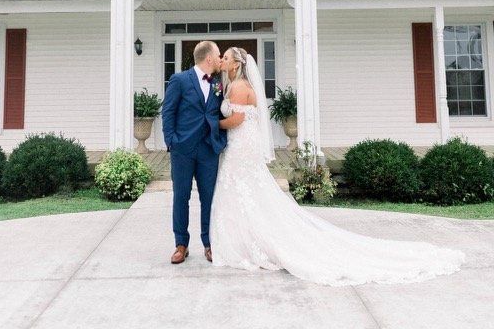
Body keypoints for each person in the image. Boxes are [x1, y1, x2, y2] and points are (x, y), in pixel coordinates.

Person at [210, 46, 466, 286]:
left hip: (241, 146)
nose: (223, 60)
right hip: (242, 145)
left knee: (244, 190)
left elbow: (237, 119)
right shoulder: (233, 84)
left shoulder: (240, 87)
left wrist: (211, 125)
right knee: (249, 193)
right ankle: (246, 240)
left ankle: (251, 243)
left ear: (235, 65)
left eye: (226, 57)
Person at [162, 40, 226, 265]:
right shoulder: (180, 80)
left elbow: (220, 113)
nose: (220, 60)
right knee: (182, 196)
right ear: (208, 58)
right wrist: (171, 142)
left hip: (209, 149)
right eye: (218, 56)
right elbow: (167, 112)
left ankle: (209, 244)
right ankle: (181, 244)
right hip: (183, 150)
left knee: (209, 198)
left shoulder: (218, 82)